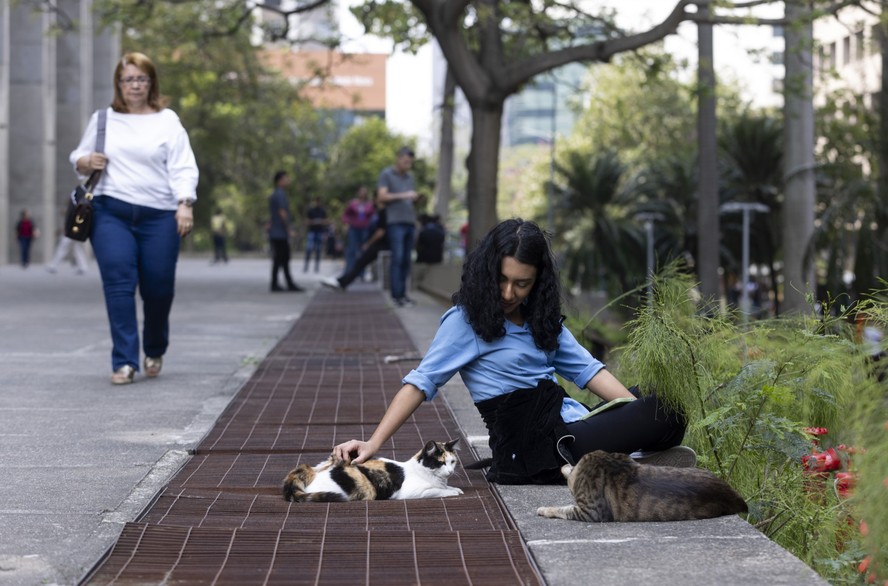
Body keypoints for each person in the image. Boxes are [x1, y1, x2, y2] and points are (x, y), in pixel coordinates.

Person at [334, 219, 694, 483]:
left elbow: (590, 373)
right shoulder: (465, 321)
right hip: (531, 449)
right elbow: (420, 382)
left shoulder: (541, 320)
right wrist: (372, 442)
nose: (508, 293)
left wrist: (632, 416)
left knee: (665, 402)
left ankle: (629, 459)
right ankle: (627, 462)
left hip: (567, 427)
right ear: (487, 272)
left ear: (538, 282)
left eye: (522, 284)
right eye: (502, 280)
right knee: (660, 411)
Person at [69, 52, 198, 385]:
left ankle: (154, 348)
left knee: (158, 288)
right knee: (118, 285)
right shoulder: (103, 119)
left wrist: (184, 203)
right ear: (119, 84)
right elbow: (77, 157)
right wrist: (86, 161)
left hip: (159, 216)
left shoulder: (167, 120)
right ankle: (124, 361)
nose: (135, 85)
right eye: (128, 79)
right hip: (111, 212)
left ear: (151, 82)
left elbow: (183, 165)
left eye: (141, 78)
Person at [377, 146, 418, 307]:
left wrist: (415, 198)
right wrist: (405, 195)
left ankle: (403, 294)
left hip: (409, 222)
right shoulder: (386, 174)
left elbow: (409, 198)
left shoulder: (410, 177)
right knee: (398, 258)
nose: (408, 164)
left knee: (407, 260)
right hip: (395, 223)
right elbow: (381, 196)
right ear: (398, 158)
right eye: (406, 161)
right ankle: (396, 296)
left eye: (410, 162)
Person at [321, 195, 388, 291]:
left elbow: (380, 232)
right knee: (360, 261)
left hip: (381, 244)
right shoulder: (378, 212)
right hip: (377, 243)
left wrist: (368, 243)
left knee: (360, 261)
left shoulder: (384, 212)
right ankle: (343, 281)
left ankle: (343, 281)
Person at [268, 171, 304, 293]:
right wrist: (289, 229)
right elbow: (282, 213)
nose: (288, 181)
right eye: (286, 178)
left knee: (283, 258)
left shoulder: (277, 193)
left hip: (278, 232)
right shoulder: (279, 194)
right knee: (280, 258)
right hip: (279, 233)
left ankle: (286, 283)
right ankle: (278, 284)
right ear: (279, 180)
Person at [341, 185, 375, 276]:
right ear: (358, 192)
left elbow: (373, 217)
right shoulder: (353, 203)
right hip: (354, 229)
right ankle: (348, 271)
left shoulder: (369, 204)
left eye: (364, 192)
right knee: (351, 250)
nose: (363, 193)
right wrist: (346, 223)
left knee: (362, 251)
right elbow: (345, 215)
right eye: (361, 191)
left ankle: (361, 273)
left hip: (365, 230)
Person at [304, 196, 328, 273]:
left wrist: (321, 221)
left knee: (318, 250)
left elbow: (326, 221)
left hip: (320, 231)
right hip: (312, 231)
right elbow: (307, 221)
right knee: (309, 249)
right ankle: (306, 266)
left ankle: (316, 267)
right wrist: (313, 222)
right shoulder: (311, 211)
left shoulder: (323, 211)